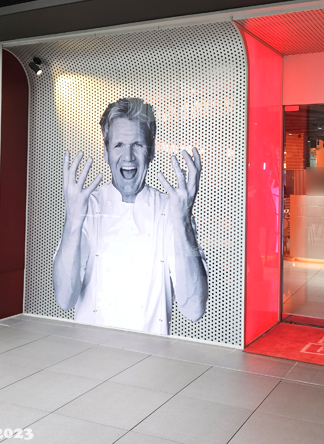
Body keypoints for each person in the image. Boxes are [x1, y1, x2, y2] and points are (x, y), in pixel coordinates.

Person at [52, 97, 208, 335]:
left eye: (137, 144)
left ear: (151, 151)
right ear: (105, 152)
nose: (128, 157)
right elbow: (64, 299)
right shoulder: (86, 207)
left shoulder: (172, 211)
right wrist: (73, 221)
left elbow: (194, 309)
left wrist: (183, 221)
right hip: (91, 350)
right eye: (118, 145)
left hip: (150, 354)